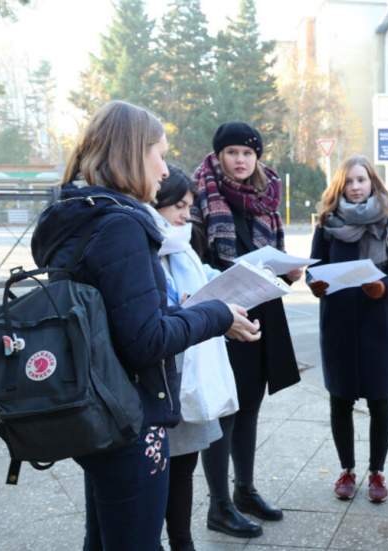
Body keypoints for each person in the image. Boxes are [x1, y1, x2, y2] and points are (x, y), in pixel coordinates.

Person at [30, 100, 261, 551]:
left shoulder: (82, 214)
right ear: (133, 152)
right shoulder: (120, 225)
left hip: (96, 404)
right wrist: (216, 315)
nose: (165, 167)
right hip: (128, 417)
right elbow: (146, 340)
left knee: (102, 537)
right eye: (160, 151)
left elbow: (124, 321)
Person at [192, 122, 301, 538]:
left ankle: (244, 491)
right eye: (232, 152)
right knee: (224, 409)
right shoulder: (203, 195)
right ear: (219, 155)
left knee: (250, 405)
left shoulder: (266, 197)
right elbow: (196, 262)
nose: (240, 160)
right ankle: (218, 506)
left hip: (260, 314)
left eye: (247, 153)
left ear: (258, 157)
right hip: (220, 318)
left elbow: (274, 253)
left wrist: (288, 274)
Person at [307, 155, 388, 504]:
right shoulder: (326, 225)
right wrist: (315, 284)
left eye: (361, 180)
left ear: (373, 184)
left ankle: (377, 472)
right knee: (340, 399)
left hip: (377, 324)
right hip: (337, 324)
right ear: (340, 186)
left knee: (381, 400)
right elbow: (314, 269)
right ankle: (347, 470)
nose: (355, 187)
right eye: (349, 181)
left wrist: (385, 288)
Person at [148, 165, 235, 551]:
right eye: (179, 206)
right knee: (153, 475)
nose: (187, 215)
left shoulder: (182, 247)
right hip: (157, 380)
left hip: (189, 374)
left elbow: (204, 276)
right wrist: (180, 308)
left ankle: (182, 542)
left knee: (184, 468)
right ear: (156, 202)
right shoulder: (140, 244)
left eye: (190, 206)